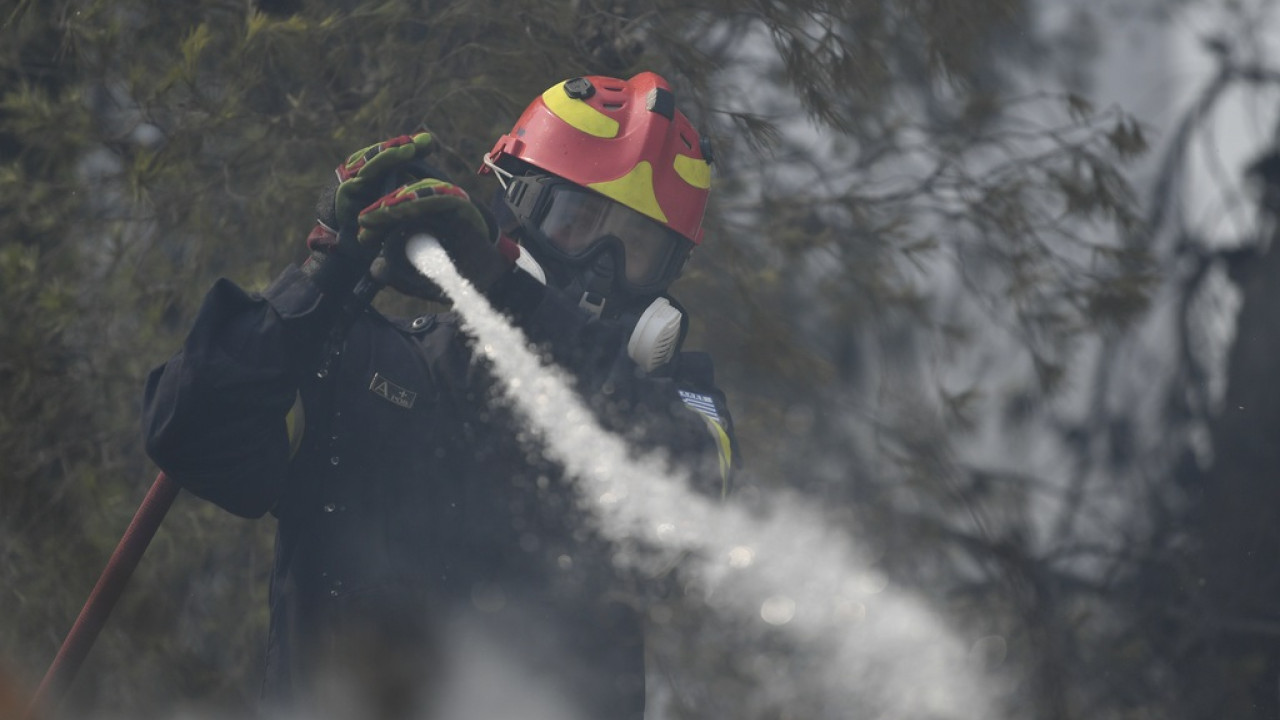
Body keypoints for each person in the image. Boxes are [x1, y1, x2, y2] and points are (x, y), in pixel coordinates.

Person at [142, 71, 735, 720]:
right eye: (578, 219)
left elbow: (692, 506)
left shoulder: (677, 411)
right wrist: (323, 274)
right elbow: (188, 430)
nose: (601, 267)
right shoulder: (363, 360)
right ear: (512, 208)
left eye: (639, 246)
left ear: (667, 278)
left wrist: (506, 291)